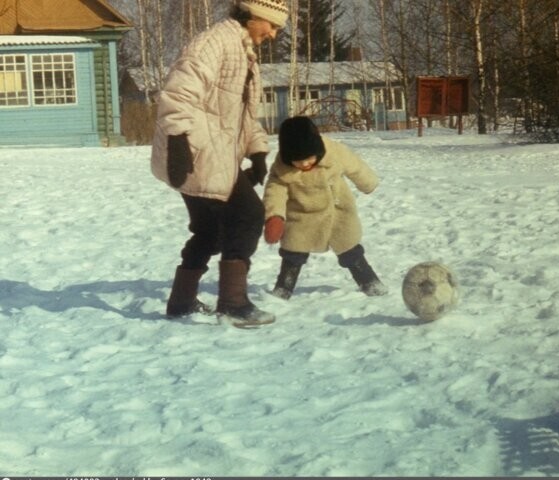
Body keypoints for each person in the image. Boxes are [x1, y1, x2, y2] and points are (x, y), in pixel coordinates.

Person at [150, 0, 289, 326]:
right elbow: (177, 93)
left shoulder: (241, 49)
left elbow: (240, 113)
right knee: (248, 217)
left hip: (212, 153)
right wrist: (179, 141)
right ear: (254, 16)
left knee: (210, 230)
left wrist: (257, 151)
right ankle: (233, 304)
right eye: (271, 24)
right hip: (199, 154)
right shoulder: (215, 43)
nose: (272, 34)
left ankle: (181, 303)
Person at [263, 116, 388, 299]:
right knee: (292, 254)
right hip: (301, 217)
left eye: (308, 158)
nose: (305, 164)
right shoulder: (282, 167)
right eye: (298, 161)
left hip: (337, 212)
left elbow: (355, 166)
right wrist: (274, 216)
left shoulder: (334, 152)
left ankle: (370, 282)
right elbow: (275, 190)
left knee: (350, 250)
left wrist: (368, 182)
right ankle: (283, 288)